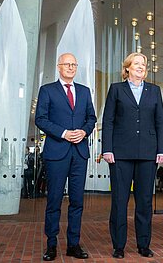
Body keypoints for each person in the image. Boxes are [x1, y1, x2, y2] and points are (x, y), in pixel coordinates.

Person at [101, 52, 163, 259]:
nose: (140, 66)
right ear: (127, 67)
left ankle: (143, 245)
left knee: (145, 201)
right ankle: (119, 245)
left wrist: (162, 149)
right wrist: (107, 149)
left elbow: (160, 122)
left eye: (144, 64)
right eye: (136, 63)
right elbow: (108, 121)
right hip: (120, 153)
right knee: (119, 201)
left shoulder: (154, 91)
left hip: (148, 153)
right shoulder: (116, 89)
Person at [35, 53, 97, 261]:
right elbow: (40, 119)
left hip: (79, 152)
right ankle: (51, 244)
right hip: (57, 151)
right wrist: (63, 133)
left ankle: (73, 244)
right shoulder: (47, 90)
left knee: (77, 201)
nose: (71, 67)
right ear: (59, 67)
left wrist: (84, 131)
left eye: (74, 64)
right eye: (67, 64)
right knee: (54, 200)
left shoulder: (85, 91)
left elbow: (92, 118)